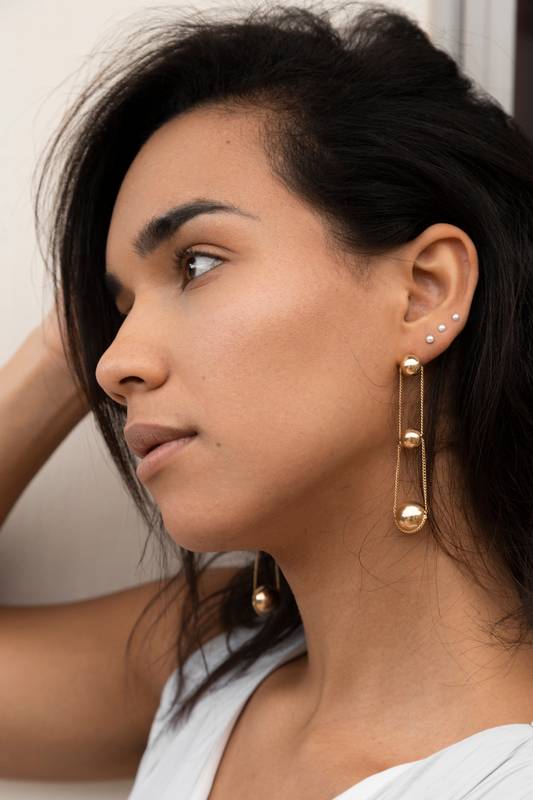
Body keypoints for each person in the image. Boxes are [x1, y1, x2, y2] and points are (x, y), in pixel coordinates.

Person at [2, 1, 533, 796]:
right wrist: (65, 342)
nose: (113, 367)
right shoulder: (211, 664)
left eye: (198, 263)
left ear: (424, 293)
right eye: (116, 314)